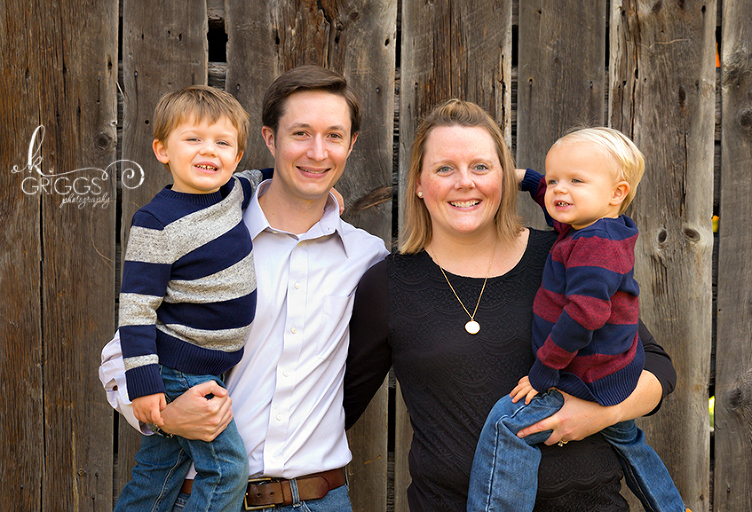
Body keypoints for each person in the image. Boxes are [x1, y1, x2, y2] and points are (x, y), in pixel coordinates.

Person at [343, 100, 677, 512]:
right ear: (418, 183)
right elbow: (342, 401)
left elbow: (658, 368)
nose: (465, 182)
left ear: (504, 178)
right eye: (444, 168)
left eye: (481, 167)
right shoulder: (389, 284)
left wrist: (596, 415)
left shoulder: (561, 255)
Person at [100, 65, 388, 511]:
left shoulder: (368, 258)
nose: (317, 152)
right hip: (199, 494)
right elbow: (120, 352)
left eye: (334, 135)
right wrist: (165, 417)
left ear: (351, 144)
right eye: (300, 134)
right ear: (271, 140)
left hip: (318, 498)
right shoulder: (204, 234)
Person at [466, 128, 686, 512]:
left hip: (585, 373)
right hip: (617, 367)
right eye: (554, 180)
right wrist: (525, 179)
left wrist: (544, 371)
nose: (558, 191)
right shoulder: (598, 229)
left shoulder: (592, 247)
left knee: (508, 424)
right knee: (627, 437)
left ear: (617, 192)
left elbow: (585, 314)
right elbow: (555, 203)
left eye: (575, 181)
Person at [115, 84, 258, 512]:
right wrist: (143, 385)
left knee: (158, 473)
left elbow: (264, 179)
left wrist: (323, 193)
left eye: (222, 143)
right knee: (227, 469)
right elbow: (136, 309)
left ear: (236, 158)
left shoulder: (234, 193)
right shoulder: (155, 222)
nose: (208, 151)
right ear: (162, 150)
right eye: (193, 139)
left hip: (209, 366)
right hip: (181, 366)